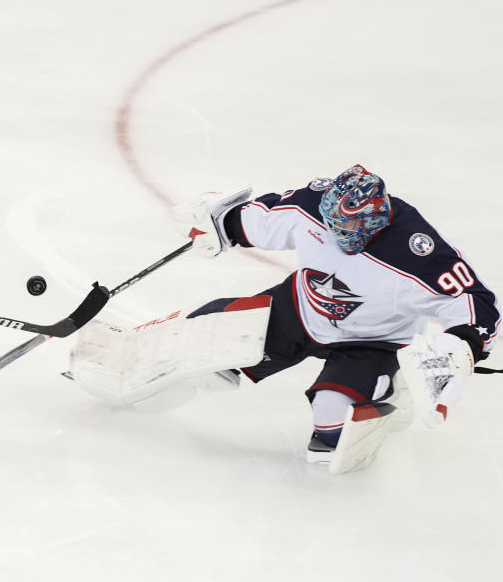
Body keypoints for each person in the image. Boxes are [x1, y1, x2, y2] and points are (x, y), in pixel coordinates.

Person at [69, 165, 500, 472]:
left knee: (331, 424)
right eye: (331, 225)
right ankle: (128, 356)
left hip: (370, 341)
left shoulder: (415, 251)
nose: (336, 235)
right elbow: (266, 218)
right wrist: (225, 223)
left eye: (347, 229)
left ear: (376, 218)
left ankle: (389, 390)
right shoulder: (316, 205)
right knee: (207, 333)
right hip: (297, 309)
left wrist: (462, 344)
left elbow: (475, 303)